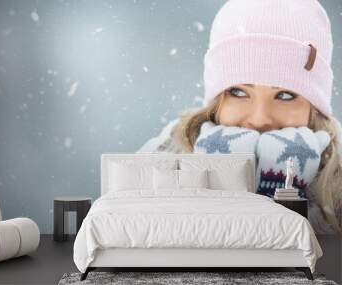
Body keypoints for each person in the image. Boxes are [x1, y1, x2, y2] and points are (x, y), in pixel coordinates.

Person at [138, 0, 342, 235]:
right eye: (239, 92)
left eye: (285, 95)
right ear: (216, 103)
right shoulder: (159, 168)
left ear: (314, 109)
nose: (259, 118)